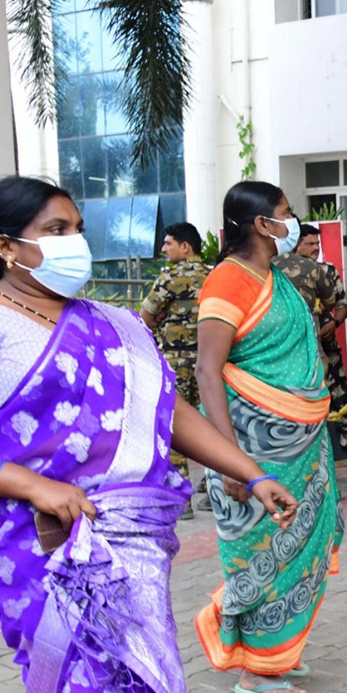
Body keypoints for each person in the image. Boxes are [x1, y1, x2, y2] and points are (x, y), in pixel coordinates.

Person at [0, 176, 299, 693]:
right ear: (7, 247)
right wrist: (31, 486)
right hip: (43, 555)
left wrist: (250, 472)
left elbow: (171, 414)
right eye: (57, 230)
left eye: (76, 227)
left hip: (133, 549)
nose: (76, 243)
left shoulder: (118, 324)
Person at [194, 181, 344, 693]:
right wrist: (231, 462)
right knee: (259, 552)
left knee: (299, 550)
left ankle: (275, 649)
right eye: (286, 214)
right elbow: (206, 371)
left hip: (300, 448)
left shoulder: (273, 277)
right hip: (252, 451)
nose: (293, 222)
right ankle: (255, 671)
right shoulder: (228, 281)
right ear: (262, 224)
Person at [273, 221, 347, 483]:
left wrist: (333, 323)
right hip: (296, 352)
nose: (315, 249)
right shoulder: (274, 269)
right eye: (309, 244)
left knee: (341, 402)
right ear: (296, 244)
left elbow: (340, 305)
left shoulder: (325, 270)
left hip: (326, 350)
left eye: (318, 244)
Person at [142, 222, 210, 519]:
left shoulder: (171, 276)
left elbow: (146, 315)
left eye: (168, 243)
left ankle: (182, 501)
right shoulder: (214, 275)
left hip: (177, 361)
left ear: (186, 247)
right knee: (212, 426)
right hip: (211, 361)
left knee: (175, 428)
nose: (163, 249)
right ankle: (215, 490)